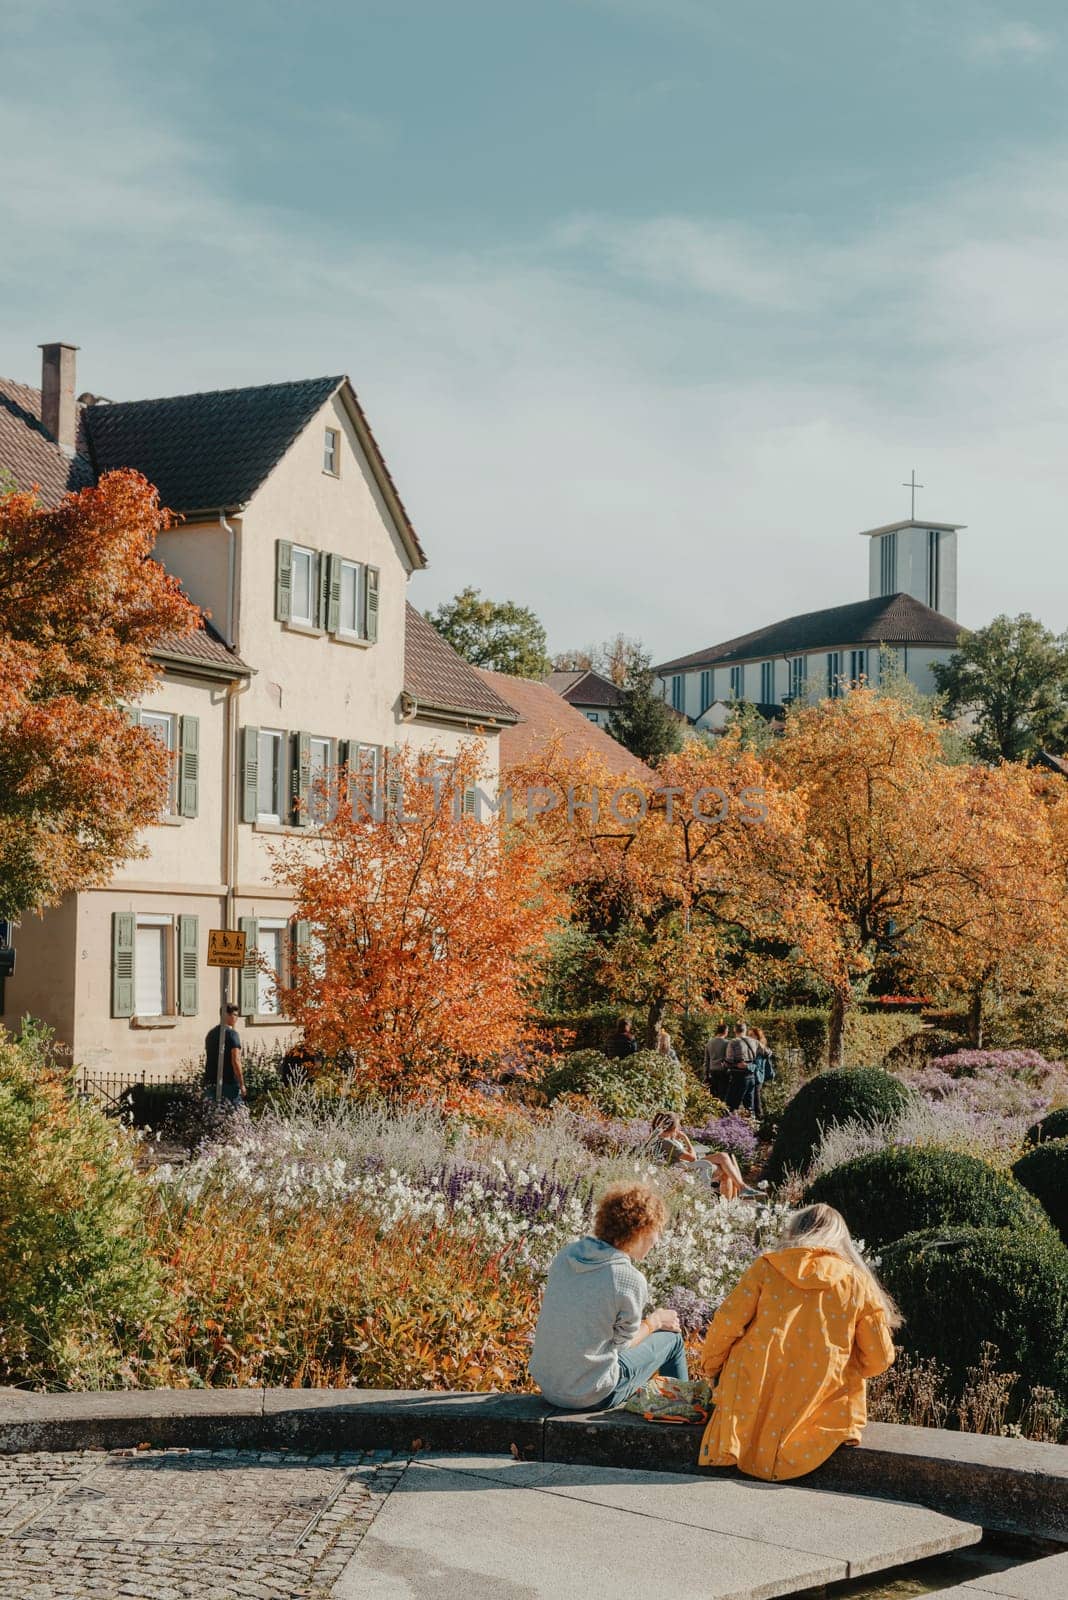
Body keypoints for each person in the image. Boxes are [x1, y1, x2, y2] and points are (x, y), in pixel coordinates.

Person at [696, 1203, 900, 1481]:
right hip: (821, 1401)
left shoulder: (767, 1268)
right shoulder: (856, 1282)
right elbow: (879, 1358)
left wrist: (711, 1367)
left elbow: (726, 1324)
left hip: (752, 1394)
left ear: (794, 1232)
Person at [529, 1182, 687, 1411]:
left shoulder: (567, 1255)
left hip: (549, 1386)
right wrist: (655, 1321)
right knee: (672, 1340)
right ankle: (685, 1416)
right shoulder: (627, 1278)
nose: (657, 1240)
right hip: (590, 1395)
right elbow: (623, 1347)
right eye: (657, 1230)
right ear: (641, 1229)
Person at [644, 1112, 751, 1201]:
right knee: (723, 1158)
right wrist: (686, 1139)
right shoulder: (667, 1142)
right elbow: (693, 1158)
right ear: (674, 1128)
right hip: (687, 1168)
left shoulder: (665, 1140)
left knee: (726, 1169)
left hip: (688, 1165)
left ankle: (732, 1203)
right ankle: (738, 1192)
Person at [203, 1004, 246, 1104]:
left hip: (210, 1080)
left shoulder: (211, 1034)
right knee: (236, 1113)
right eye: (234, 1015)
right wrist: (241, 1084)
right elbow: (236, 1060)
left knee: (213, 1114)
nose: (236, 1018)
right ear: (226, 1015)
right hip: (228, 1082)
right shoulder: (232, 1034)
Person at [724, 1022, 758, 1112]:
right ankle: (752, 1124)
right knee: (749, 1107)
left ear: (734, 1030)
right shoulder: (753, 1041)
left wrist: (725, 1065)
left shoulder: (733, 1042)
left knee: (731, 1106)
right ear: (745, 1030)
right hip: (751, 1075)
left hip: (739, 1076)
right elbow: (767, 1052)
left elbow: (729, 1061)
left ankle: (728, 1125)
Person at [748, 1026, 776, 1119]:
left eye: (751, 1035)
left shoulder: (759, 1047)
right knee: (754, 1098)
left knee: (756, 1099)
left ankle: (759, 1119)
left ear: (757, 1036)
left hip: (757, 1076)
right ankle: (755, 1119)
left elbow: (758, 1065)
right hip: (757, 1076)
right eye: (749, 1035)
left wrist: (746, 1066)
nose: (749, 1037)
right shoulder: (756, 1046)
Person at [703, 1023, 730, 1098]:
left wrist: (706, 1074)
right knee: (723, 1094)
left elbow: (706, 1060)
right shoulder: (727, 1043)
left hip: (712, 1070)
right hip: (723, 1071)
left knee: (714, 1094)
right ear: (725, 1031)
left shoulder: (709, 1043)